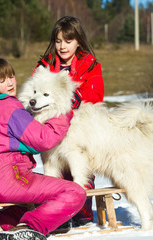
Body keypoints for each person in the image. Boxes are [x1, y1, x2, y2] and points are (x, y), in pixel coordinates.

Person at [0, 56, 86, 240]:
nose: (10, 83)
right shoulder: (7, 106)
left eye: (11, 76)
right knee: (75, 192)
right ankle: (30, 227)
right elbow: (43, 139)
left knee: (37, 194)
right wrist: (65, 111)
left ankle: (2, 221)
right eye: (1, 80)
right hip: (8, 178)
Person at [35, 15, 104, 227]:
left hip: (79, 126)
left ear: (78, 41)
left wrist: (79, 97)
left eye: (68, 41)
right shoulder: (45, 65)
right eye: (58, 41)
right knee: (54, 169)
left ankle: (81, 211)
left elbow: (96, 93)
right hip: (52, 127)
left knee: (80, 166)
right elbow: (36, 90)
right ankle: (58, 212)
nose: (62, 46)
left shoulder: (89, 64)